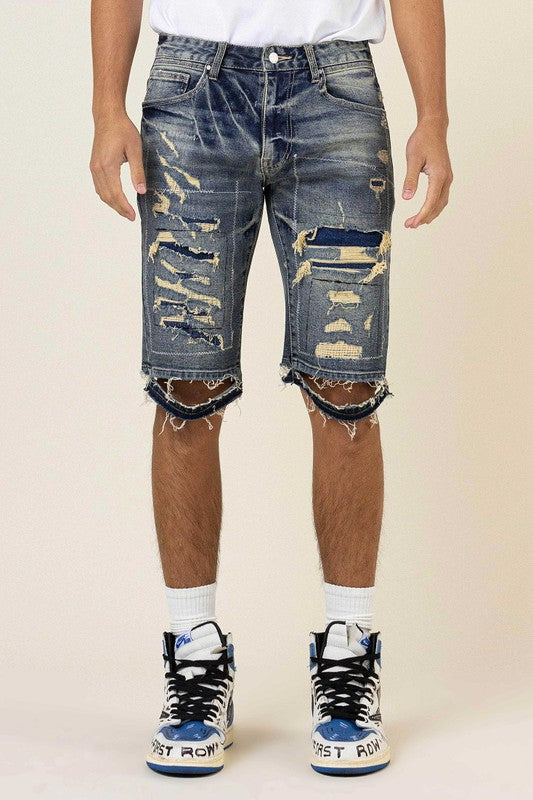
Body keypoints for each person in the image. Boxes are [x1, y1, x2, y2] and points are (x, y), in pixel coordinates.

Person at [90, 0, 452, 777]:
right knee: (184, 386)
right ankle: (194, 656)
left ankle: (348, 656)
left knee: (346, 389)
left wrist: (433, 116)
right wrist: (105, 107)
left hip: (336, 93)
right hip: (190, 92)